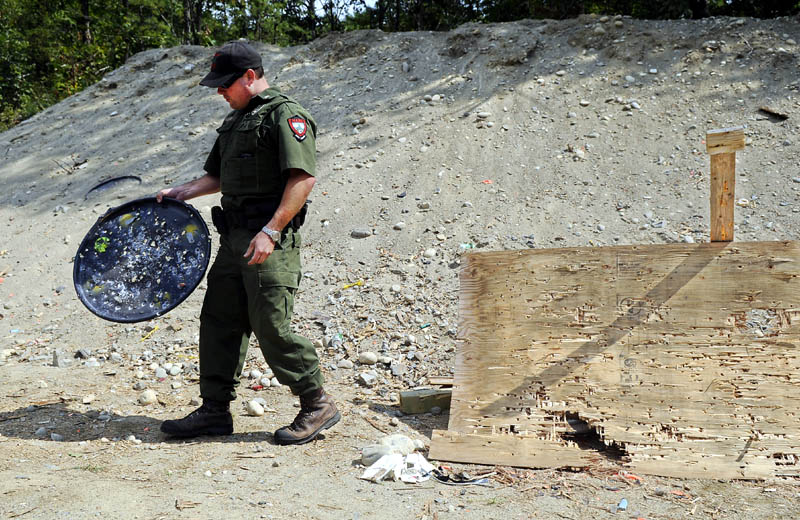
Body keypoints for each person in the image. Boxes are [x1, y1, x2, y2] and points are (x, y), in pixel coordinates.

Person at [156, 41, 339, 445]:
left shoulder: (285, 116)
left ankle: (316, 402)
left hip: (267, 240)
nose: (220, 92)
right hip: (234, 239)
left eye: (225, 84)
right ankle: (214, 411)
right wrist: (181, 192)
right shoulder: (236, 121)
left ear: (250, 77)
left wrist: (271, 231)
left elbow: (302, 178)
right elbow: (218, 177)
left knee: (271, 324)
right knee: (219, 321)